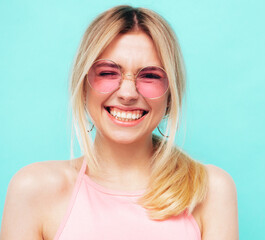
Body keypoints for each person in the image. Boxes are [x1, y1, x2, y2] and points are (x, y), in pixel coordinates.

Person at [0, 5, 238, 240]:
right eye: (107, 72)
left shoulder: (211, 191)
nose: (128, 93)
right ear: (83, 87)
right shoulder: (33, 190)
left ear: (170, 96)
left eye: (150, 76)